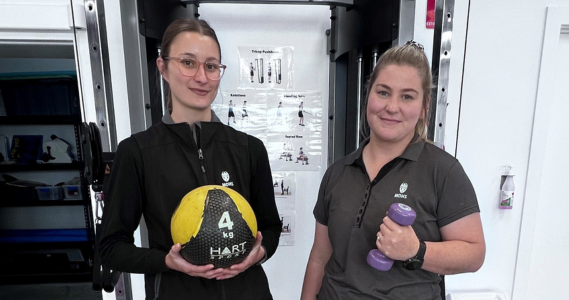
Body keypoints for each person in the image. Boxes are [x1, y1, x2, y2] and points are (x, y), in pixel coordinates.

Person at [99, 18, 282, 300]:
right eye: (188, 62)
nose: (201, 77)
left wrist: (259, 253)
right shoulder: (137, 152)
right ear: (163, 67)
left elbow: (270, 227)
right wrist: (165, 262)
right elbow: (110, 248)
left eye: (211, 66)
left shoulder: (249, 149)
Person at [300, 41, 485, 300]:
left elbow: (474, 254)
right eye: (383, 92)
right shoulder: (338, 173)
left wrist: (416, 250)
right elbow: (320, 257)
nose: (392, 107)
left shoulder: (443, 171)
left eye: (407, 96)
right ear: (369, 96)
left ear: (424, 108)